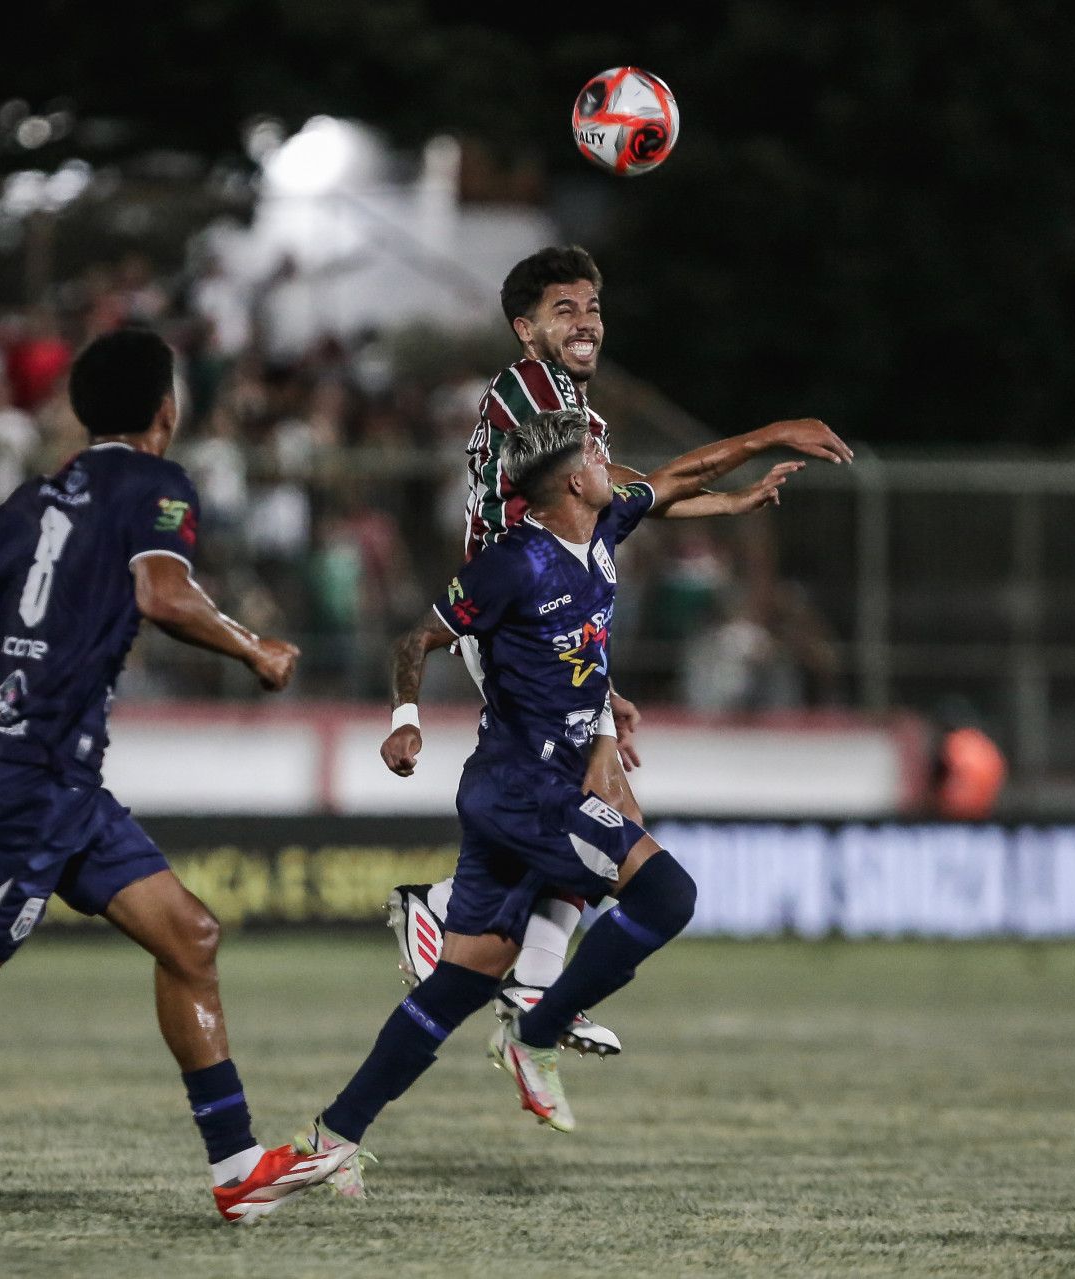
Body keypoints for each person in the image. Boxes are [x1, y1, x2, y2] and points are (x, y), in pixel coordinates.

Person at [0, 327, 352, 1223]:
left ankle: (235, 1165)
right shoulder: (154, 482)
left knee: (190, 935)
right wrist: (252, 647)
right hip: (36, 780)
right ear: (167, 410)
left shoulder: (37, 497)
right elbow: (163, 592)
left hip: (58, 777)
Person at [288, 408, 814, 1194]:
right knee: (668, 892)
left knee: (463, 982)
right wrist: (405, 721)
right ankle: (535, 1028)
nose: (614, 463)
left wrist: (767, 441)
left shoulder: (600, 532)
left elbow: (678, 476)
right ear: (575, 478)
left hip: (533, 788)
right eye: (600, 452)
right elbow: (416, 638)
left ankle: (331, 1133)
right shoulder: (514, 563)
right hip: (522, 789)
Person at [387, 244, 853, 1057]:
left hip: (549, 616)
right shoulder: (534, 389)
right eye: (564, 309)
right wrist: (762, 438)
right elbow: (617, 483)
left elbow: (618, 494)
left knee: (601, 809)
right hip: (518, 612)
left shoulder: (560, 399)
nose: (586, 321)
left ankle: (511, 960)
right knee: (599, 809)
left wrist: (721, 501)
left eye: (593, 307)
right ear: (523, 329)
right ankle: (480, 937)